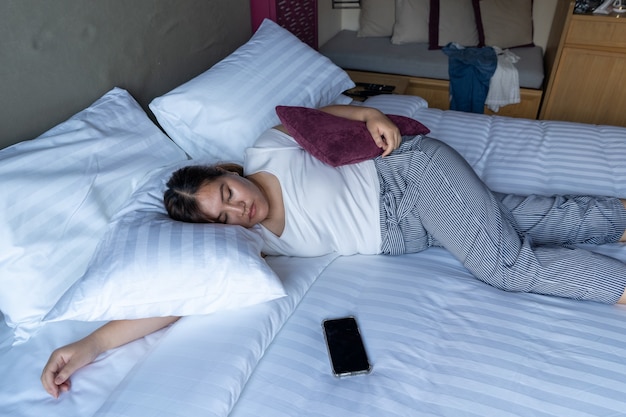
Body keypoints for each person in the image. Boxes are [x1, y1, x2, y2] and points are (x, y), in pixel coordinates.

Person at [42, 104, 626, 398]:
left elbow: (326, 118)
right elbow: (173, 301)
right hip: (415, 231)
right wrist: (89, 344)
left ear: (229, 171)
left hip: (411, 175)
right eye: (221, 216)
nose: (237, 208)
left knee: (503, 264)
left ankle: (615, 287)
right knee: (525, 219)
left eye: (227, 193)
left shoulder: (267, 150)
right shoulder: (256, 243)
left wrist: (370, 113)